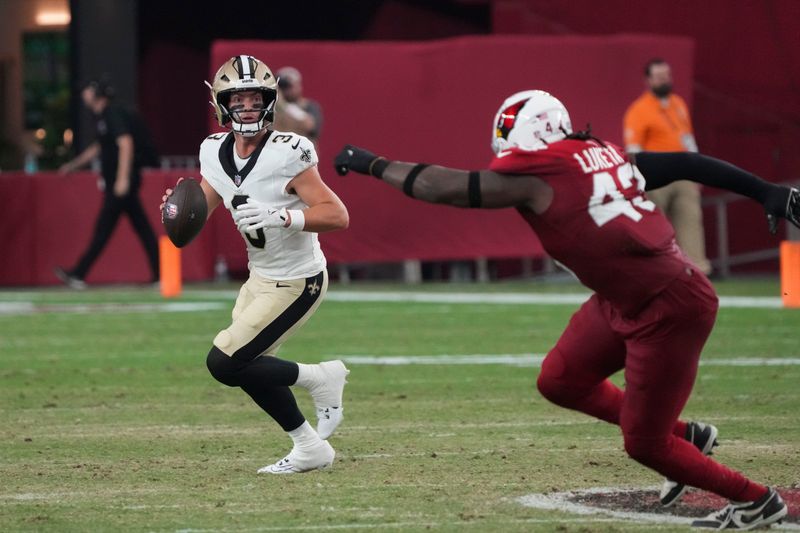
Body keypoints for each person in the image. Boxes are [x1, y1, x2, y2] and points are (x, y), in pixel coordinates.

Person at [334, 90, 799, 529]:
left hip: (668, 308)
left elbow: (447, 188)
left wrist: (374, 164)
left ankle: (756, 499)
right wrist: (763, 190)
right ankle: (691, 437)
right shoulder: (601, 154)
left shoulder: (544, 174)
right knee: (559, 380)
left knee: (646, 443)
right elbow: (688, 162)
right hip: (624, 297)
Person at [161, 55, 350, 474]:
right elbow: (209, 202)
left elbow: (338, 214)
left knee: (226, 362)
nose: (247, 106)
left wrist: (286, 216)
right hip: (260, 277)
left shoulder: (289, 151)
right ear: (221, 104)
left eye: (255, 98)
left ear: (270, 101)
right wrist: (179, 210)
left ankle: (319, 377)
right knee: (248, 367)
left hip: (299, 281)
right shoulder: (212, 150)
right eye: (238, 98)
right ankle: (309, 447)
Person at [55, 78, 160, 289]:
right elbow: (98, 147)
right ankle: (161, 273)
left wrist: (122, 180)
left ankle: (79, 273)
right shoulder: (105, 118)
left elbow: (126, 143)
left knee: (104, 230)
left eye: (89, 90)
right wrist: (73, 166)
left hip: (121, 184)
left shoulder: (112, 114)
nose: (85, 94)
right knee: (141, 229)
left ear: (97, 95)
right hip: (121, 183)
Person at [623, 58, 712, 275]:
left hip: (683, 173)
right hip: (657, 174)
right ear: (648, 80)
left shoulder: (678, 104)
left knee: (690, 222)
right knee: (655, 225)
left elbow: (687, 139)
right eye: (660, 76)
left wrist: (698, 169)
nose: (665, 80)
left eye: (667, 75)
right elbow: (633, 147)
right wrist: (639, 177)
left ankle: (698, 271)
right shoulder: (639, 110)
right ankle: (658, 270)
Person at [273, 66, 323, 147]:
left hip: (302, 154)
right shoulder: (273, 107)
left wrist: (284, 105)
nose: (286, 90)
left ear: (298, 86)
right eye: (283, 86)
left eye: (289, 86)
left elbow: (310, 126)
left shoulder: (309, 106)